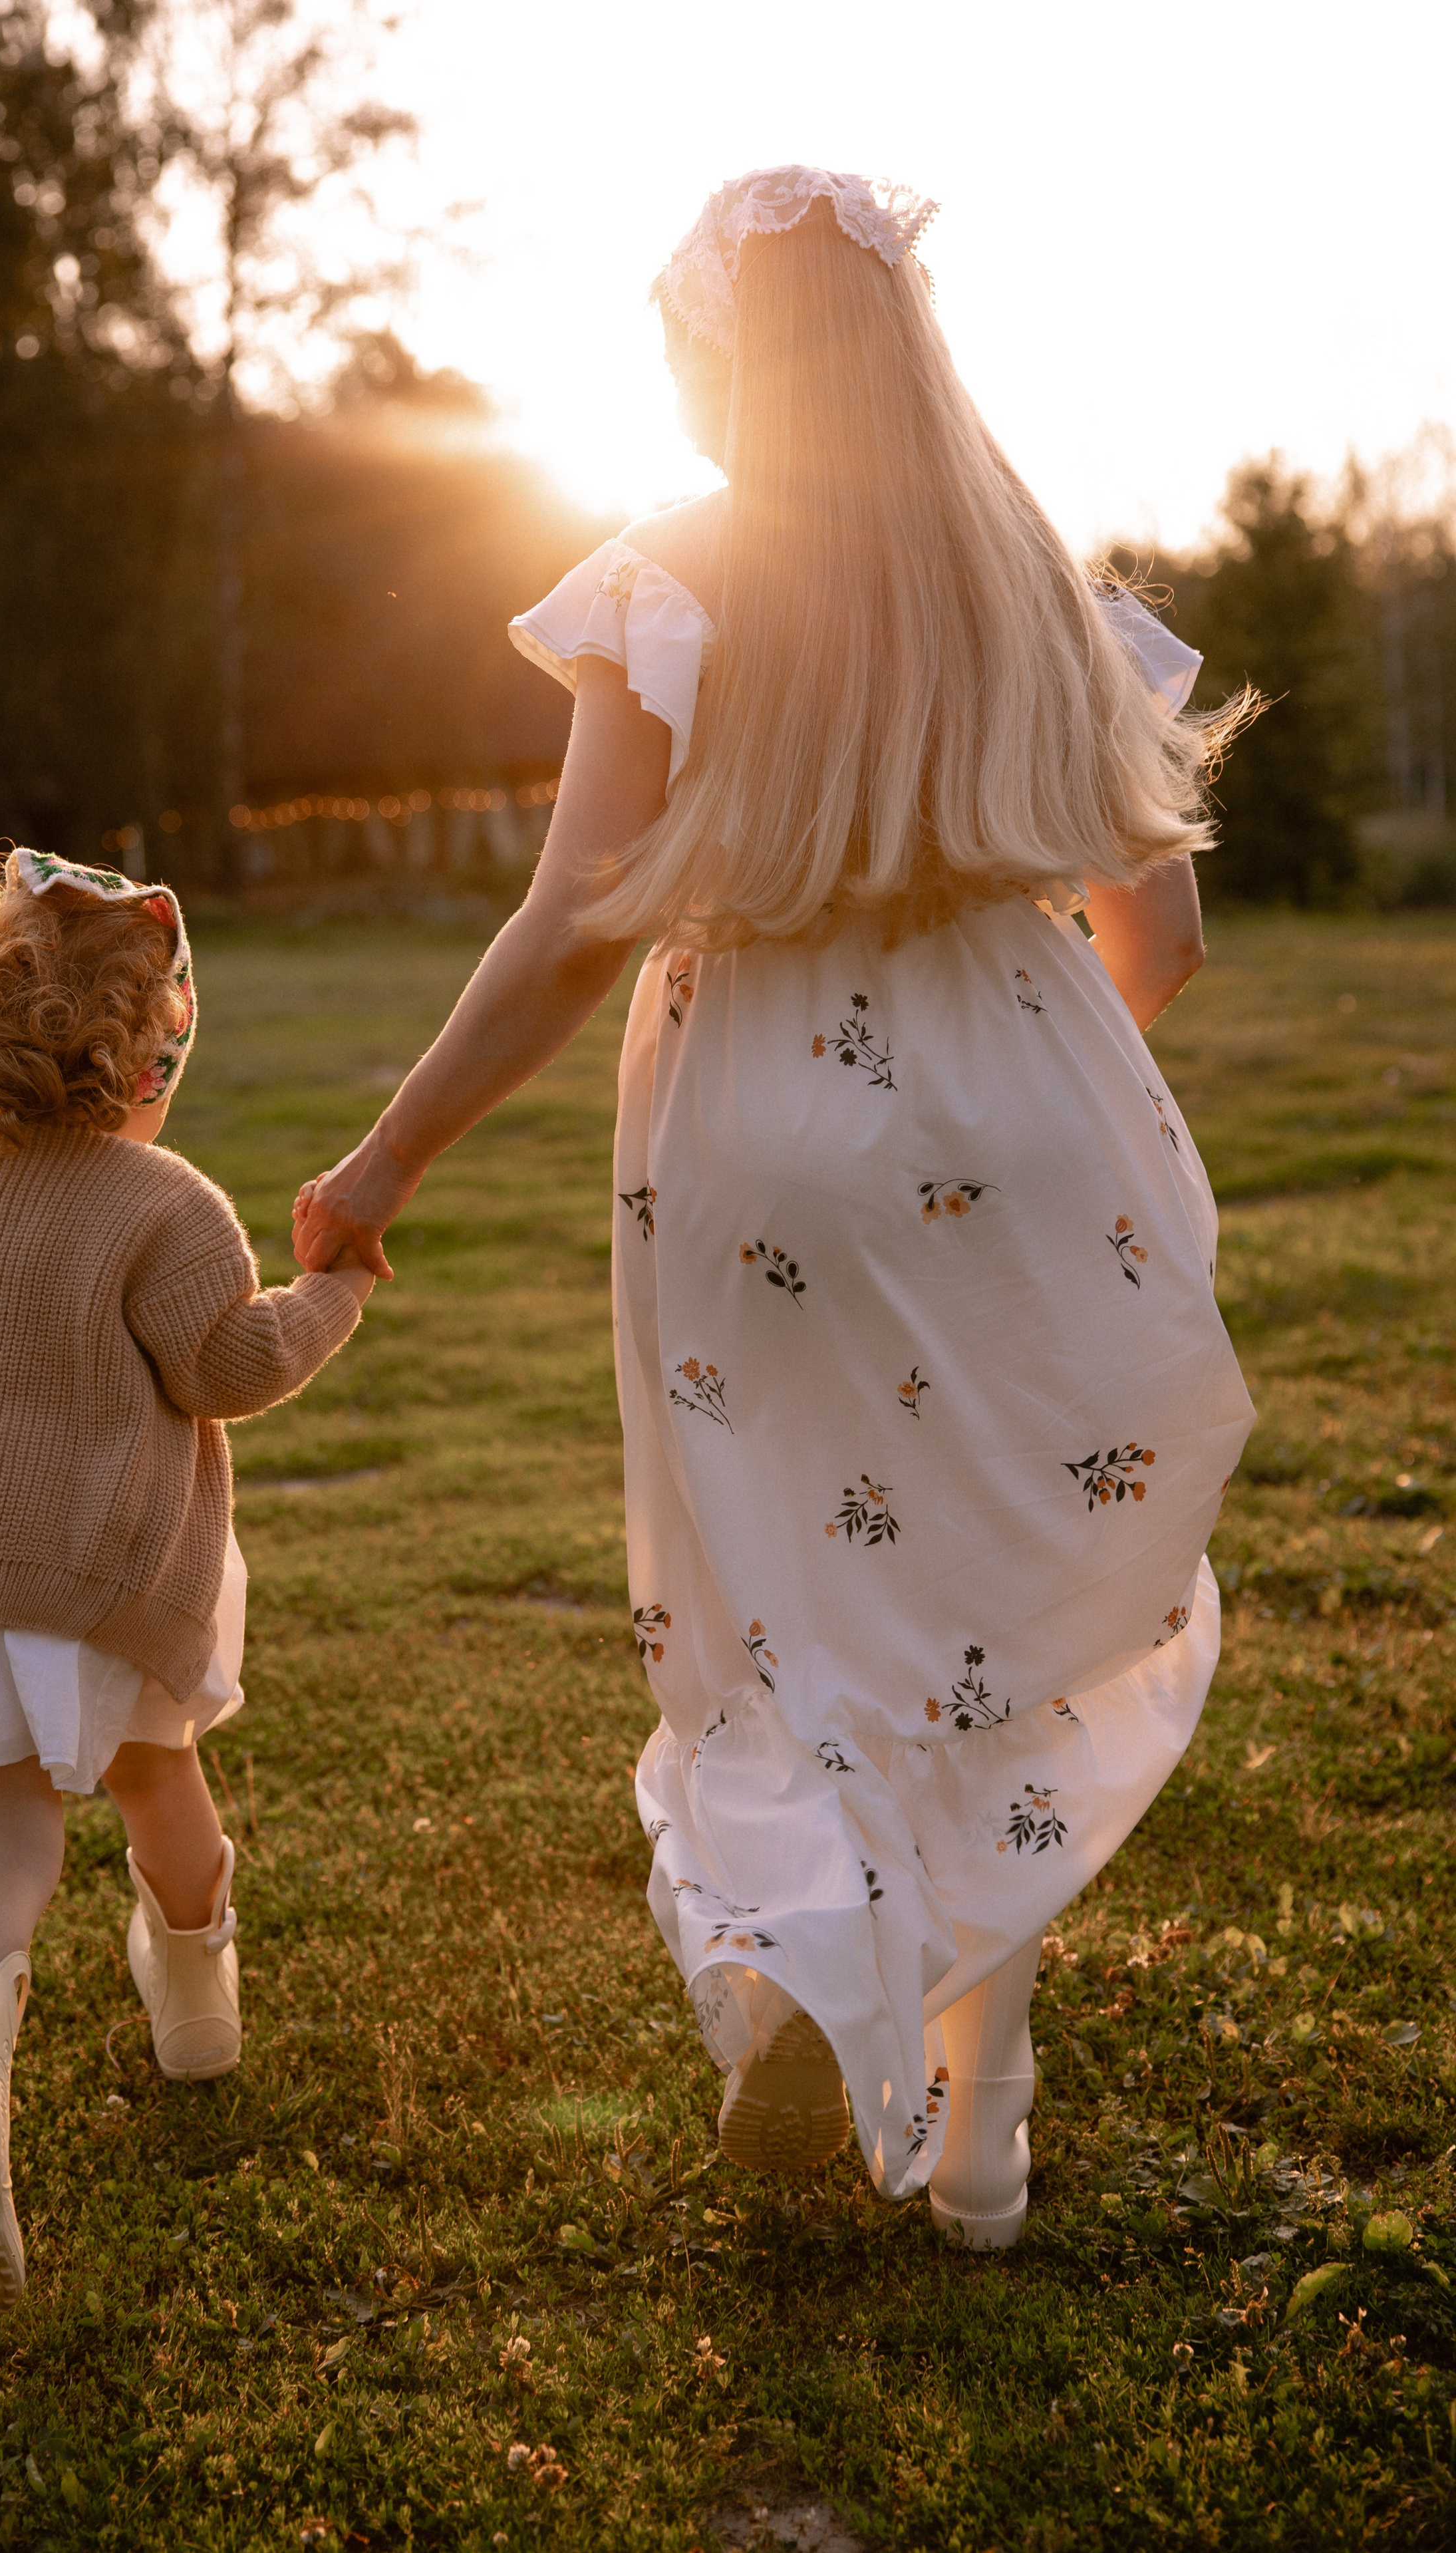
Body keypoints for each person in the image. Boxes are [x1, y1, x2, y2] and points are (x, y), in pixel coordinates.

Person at [295, 168, 1256, 2246]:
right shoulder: (1034, 587)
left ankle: (815, 1954)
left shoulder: (673, 582)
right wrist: (1003, 1102)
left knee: (799, 1604)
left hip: (762, 1140)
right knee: (998, 1609)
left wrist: (385, 1161)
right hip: (1024, 1127)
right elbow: (1161, 934)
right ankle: (983, 2127)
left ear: (728, 362)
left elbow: (569, 926)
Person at [0, 849, 372, 2317]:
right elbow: (231, 1365)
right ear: (150, 1053)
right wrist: (335, 1289)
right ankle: (197, 2003)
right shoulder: (165, 1200)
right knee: (161, 1784)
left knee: (1, 1856)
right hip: (114, 1574)